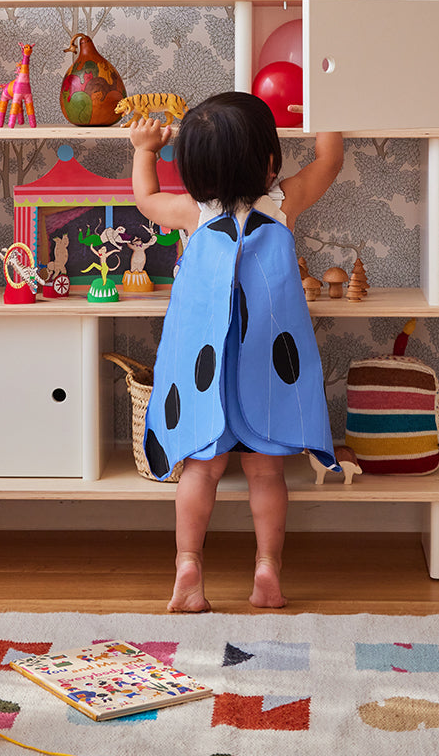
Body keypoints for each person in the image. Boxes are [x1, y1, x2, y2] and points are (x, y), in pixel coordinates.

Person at [129, 92, 344, 612]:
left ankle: (188, 564)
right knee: (266, 472)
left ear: (194, 172)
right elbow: (330, 161)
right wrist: (326, 112)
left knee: (200, 470)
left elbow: (144, 199)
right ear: (270, 162)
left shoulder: (190, 211)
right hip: (264, 370)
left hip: (207, 373)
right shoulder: (281, 202)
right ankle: (266, 568)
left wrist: (143, 148)